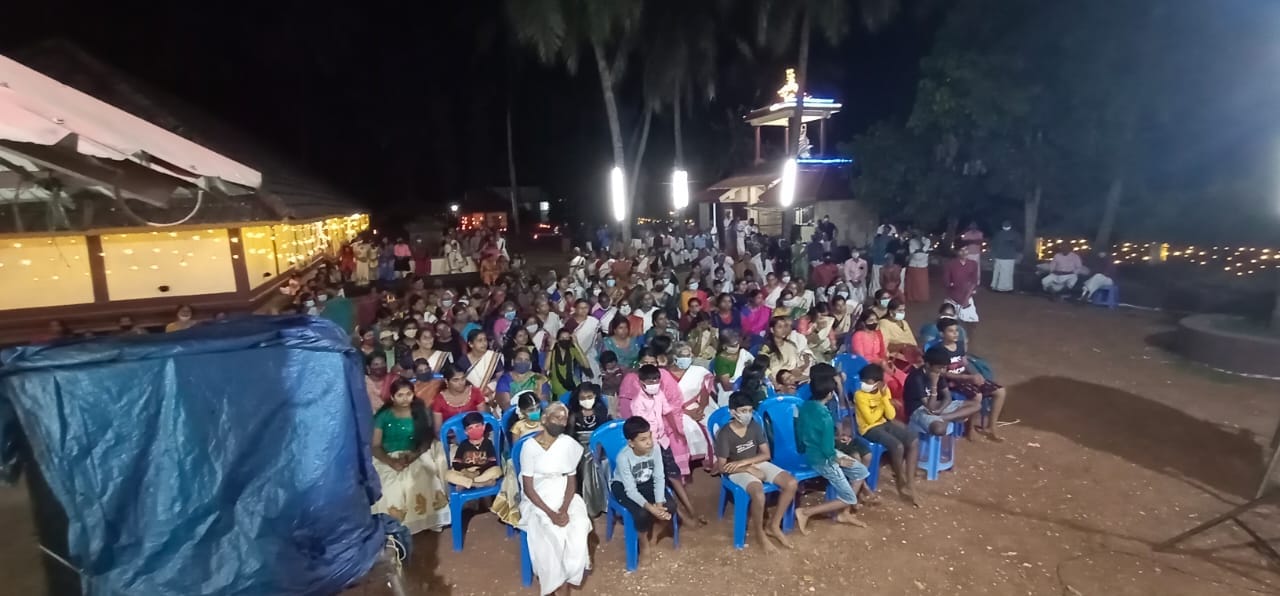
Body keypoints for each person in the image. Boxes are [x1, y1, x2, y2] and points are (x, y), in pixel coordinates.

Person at [518, 402, 591, 596]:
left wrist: (564, 509)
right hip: (538, 498)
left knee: (579, 524)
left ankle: (567, 575)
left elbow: (571, 481)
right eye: (556, 418)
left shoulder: (567, 444)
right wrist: (550, 513)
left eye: (564, 419)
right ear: (544, 419)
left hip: (564, 495)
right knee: (549, 532)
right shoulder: (529, 447)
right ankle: (557, 584)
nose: (560, 422)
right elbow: (528, 487)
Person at [715, 391, 799, 551]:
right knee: (758, 493)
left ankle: (774, 525)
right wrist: (746, 468)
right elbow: (722, 467)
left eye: (750, 410)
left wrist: (747, 462)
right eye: (743, 411)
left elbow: (766, 454)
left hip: (754, 462)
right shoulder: (725, 434)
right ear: (732, 412)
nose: (748, 414)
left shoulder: (754, 425)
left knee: (791, 483)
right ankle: (760, 533)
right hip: (735, 470)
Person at [622, 365, 702, 524]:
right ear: (641, 382)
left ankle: (692, 511)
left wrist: (678, 431)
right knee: (660, 481)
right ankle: (683, 517)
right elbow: (641, 433)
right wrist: (650, 448)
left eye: (657, 380)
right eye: (650, 381)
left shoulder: (659, 395)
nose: (654, 383)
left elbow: (668, 412)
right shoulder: (637, 403)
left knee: (674, 476)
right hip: (649, 447)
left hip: (663, 441)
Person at [794, 374, 871, 532]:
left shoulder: (805, 407)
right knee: (850, 497)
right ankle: (805, 512)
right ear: (830, 395)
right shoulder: (825, 417)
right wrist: (837, 460)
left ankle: (844, 513)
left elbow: (800, 433)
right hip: (823, 458)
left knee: (861, 472)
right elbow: (827, 447)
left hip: (813, 452)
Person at [371, 379, 450, 533]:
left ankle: (426, 522)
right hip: (387, 456)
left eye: (408, 394)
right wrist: (391, 462)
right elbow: (375, 446)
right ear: (392, 397)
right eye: (400, 395)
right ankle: (393, 528)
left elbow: (426, 439)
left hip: (414, 453)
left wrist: (414, 455)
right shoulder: (383, 416)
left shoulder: (419, 412)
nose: (405, 398)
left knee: (422, 478)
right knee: (391, 487)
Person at [613, 416, 677, 564]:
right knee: (641, 514)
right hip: (624, 486)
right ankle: (643, 542)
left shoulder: (655, 449)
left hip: (646, 481)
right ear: (631, 443)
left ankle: (654, 535)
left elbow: (659, 477)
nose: (649, 442)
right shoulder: (623, 458)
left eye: (649, 436)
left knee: (671, 507)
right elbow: (630, 490)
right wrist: (651, 508)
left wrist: (659, 505)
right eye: (643, 439)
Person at [854, 364, 919, 505]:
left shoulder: (884, 391)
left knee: (913, 439)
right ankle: (900, 480)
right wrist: (885, 403)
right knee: (897, 446)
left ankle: (910, 480)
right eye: (863, 381)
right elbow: (870, 419)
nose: (864, 384)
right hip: (868, 428)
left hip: (883, 423)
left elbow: (890, 415)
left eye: (868, 382)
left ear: (878, 382)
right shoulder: (860, 395)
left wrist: (884, 398)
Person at [937, 318, 1008, 441]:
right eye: (951, 331)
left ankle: (991, 427)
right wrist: (967, 377)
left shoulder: (959, 345)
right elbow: (942, 373)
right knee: (977, 396)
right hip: (952, 382)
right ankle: (970, 429)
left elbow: (964, 363)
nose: (955, 334)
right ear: (942, 334)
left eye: (956, 331)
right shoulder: (939, 351)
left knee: (1000, 391)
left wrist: (976, 375)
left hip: (965, 378)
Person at [906, 346, 983, 437]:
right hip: (919, 410)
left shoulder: (939, 374)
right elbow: (929, 406)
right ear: (928, 365)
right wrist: (934, 384)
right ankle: (945, 419)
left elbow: (948, 397)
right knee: (939, 429)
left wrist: (940, 410)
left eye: (944, 368)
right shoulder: (916, 378)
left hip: (937, 407)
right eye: (940, 368)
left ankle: (945, 418)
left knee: (976, 405)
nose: (943, 370)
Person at [668, 342, 714, 461]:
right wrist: (689, 413)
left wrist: (701, 408)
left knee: (712, 421)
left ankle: (713, 458)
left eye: (689, 355)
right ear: (674, 358)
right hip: (673, 410)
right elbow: (665, 403)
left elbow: (705, 391)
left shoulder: (698, 371)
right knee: (688, 427)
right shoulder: (665, 375)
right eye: (684, 356)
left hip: (696, 405)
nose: (687, 359)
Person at [445, 411, 501, 489]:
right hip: (466, 472)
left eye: (477, 426)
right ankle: (479, 484)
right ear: (466, 432)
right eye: (470, 428)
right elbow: (456, 463)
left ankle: (467, 484)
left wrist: (478, 472)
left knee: (497, 470)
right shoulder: (463, 444)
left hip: (482, 472)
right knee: (448, 475)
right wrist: (465, 472)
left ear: (483, 427)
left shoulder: (488, 443)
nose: (474, 430)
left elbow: (492, 462)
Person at [430, 362, 488, 431]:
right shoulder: (439, 400)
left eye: (463, 378)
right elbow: (438, 430)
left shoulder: (475, 393)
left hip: (476, 434)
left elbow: (484, 420)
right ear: (446, 381)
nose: (461, 383)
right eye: (456, 380)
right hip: (450, 438)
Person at [759, 316, 811, 382]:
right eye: (780, 327)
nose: (784, 330)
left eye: (785, 326)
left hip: (793, 379)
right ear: (772, 330)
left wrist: (801, 367)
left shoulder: (791, 345)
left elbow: (798, 364)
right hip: (776, 382)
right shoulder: (766, 348)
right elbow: (764, 368)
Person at [547, 329, 589, 397]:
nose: (565, 340)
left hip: (572, 387)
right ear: (557, 339)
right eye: (562, 338)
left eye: (567, 338)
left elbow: (586, 365)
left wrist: (576, 344)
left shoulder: (572, 350)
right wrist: (551, 348)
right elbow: (546, 367)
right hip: (557, 389)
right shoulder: (552, 352)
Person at [942, 251, 980, 324]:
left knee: (971, 321)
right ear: (957, 251)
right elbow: (946, 282)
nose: (964, 253)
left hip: (967, 295)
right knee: (947, 321)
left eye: (966, 250)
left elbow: (974, 281)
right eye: (961, 250)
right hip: (953, 296)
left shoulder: (973, 264)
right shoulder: (950, 264)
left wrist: (967, 296)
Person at [990, 221, 1020, 292]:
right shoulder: (1015, 234)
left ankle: (995, 286)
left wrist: (993, 255)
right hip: (1009, 256)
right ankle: (1005, 287)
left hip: (999, 256)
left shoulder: (998, 234)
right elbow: (1019, 245)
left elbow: (993, 245)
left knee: (997, 272)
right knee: (1008, 273)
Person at [905, 233, 931, 303]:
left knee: (921, 283)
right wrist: (920, 251)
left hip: (923, 265)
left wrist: (920, 246)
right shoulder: (912, 241)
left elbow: (924, 250)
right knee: (913, 282)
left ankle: (920, 297)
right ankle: (911, 297)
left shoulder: (927, 240)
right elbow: (912, 252)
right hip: (913, 264)